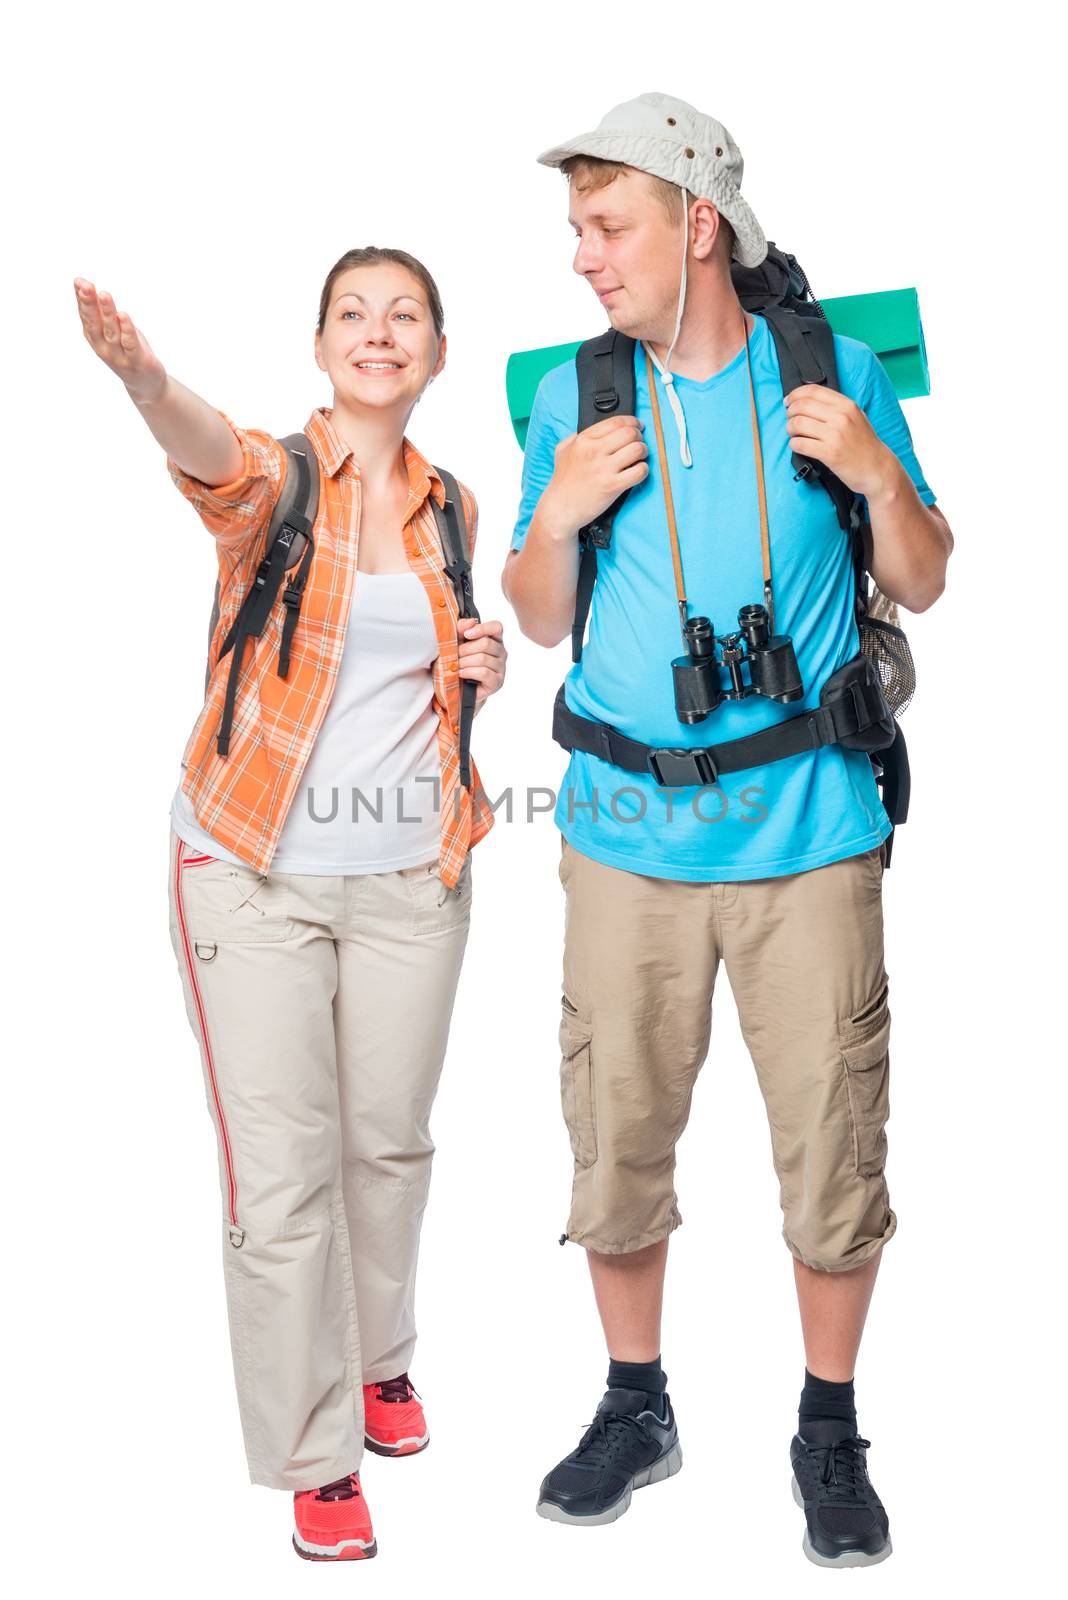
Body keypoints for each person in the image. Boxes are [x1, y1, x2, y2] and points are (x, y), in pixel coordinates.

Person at [503, 93, 952, 1566]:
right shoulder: (577, 396)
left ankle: (829, 1426)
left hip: (812, 841)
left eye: (607, 225)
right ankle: (637, 1403)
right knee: (615, 1144)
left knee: (835, 1150)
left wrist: (881, 476)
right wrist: (556, 517)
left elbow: (929, 579)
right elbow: (538, 614)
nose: (584, 256)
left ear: (698, 223)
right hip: (623, 841)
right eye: (577, 230)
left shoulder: (841, 373)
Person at [74, 247, 506, 1562]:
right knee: (283, 1176)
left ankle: (381, 1360)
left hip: (409, 876)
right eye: (356, 316)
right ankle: (318, 1453)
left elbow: (429, 673)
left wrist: (477, 661)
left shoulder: (454, 509)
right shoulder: (281, 478)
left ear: (435, 352)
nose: (381, 335)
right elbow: (213, 454)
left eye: (406, 318)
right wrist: (147, 380)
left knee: (388, 1145)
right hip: (250, 871)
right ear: (323, 345)